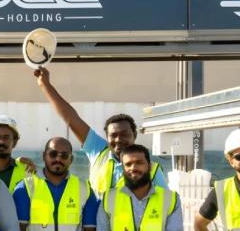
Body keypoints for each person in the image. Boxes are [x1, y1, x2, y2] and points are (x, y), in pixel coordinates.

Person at [33, 67, 167, 198]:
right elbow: (71, 119)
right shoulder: (98, 151)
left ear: (135, 135)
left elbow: (166, 204)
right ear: (106, 138)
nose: (118, 139)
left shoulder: (152, 170)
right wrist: (45, 85)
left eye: (124, 134)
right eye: (113, 135)